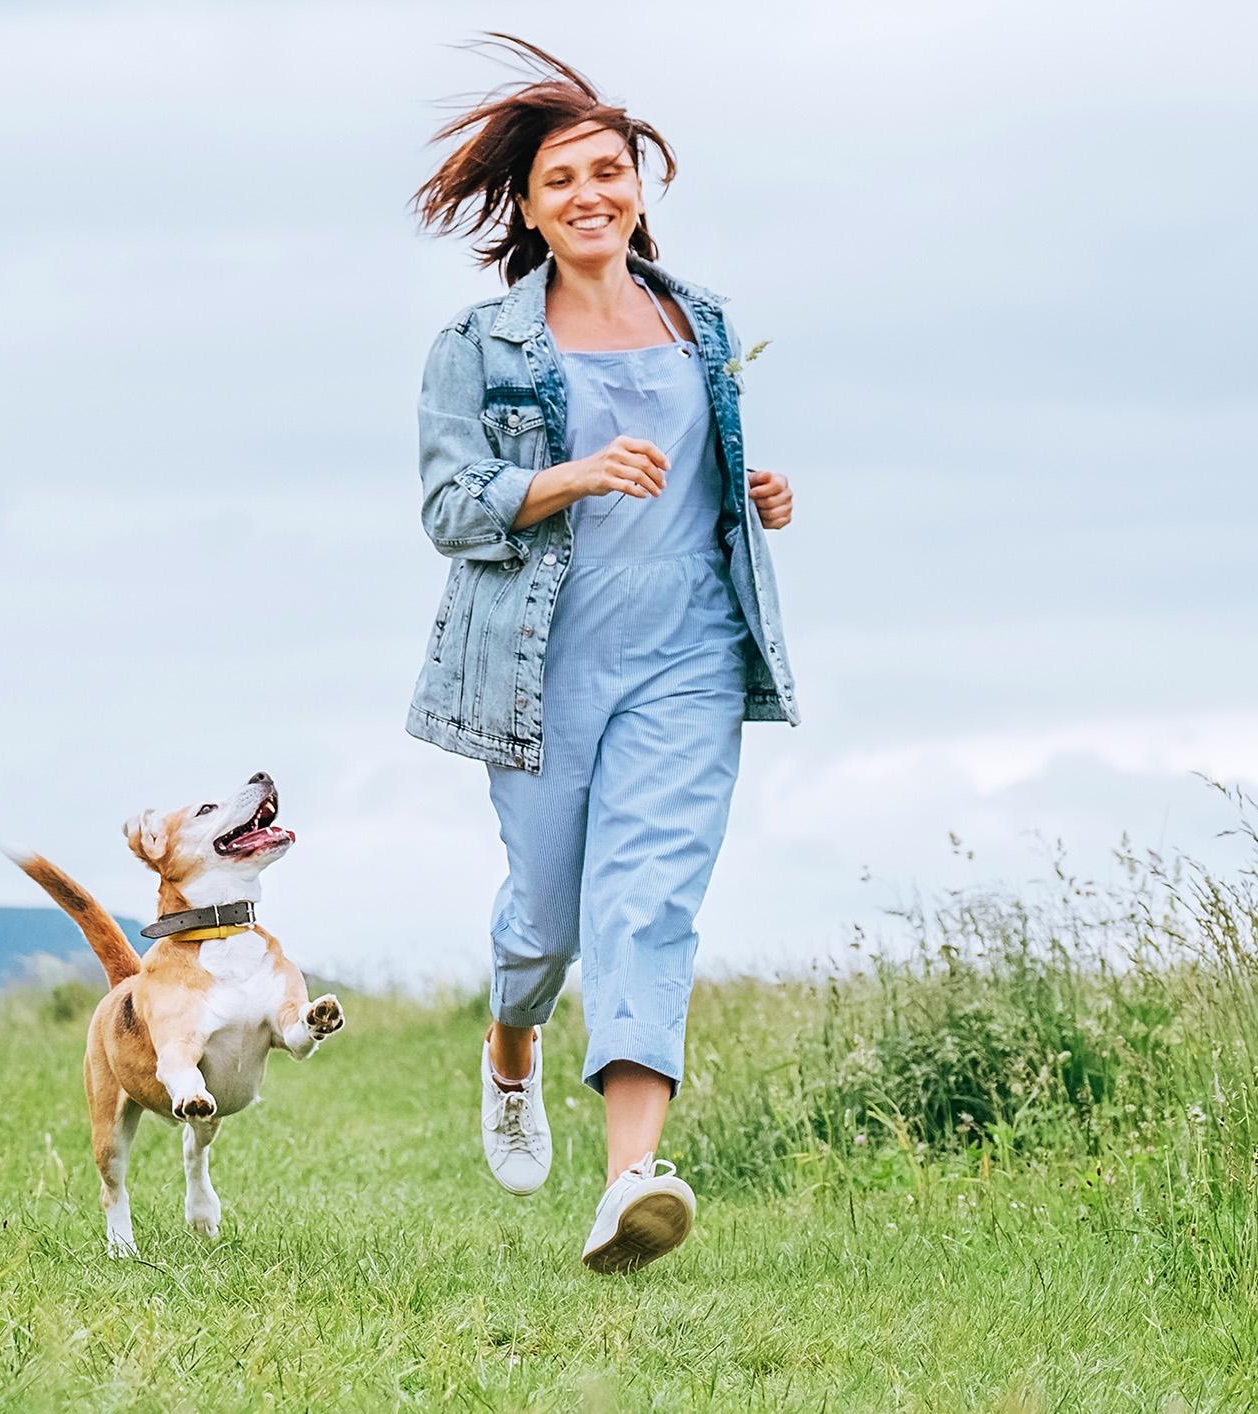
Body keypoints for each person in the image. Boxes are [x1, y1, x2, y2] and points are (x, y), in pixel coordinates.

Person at [406, 35, 800, 1273]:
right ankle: (510, 1046)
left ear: (641, 186)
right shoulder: (480, 345)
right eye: (563, 179)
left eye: (609, 172)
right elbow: (449, 509)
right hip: (540, 666)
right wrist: (566, 476)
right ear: (527, 205)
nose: (591, 195)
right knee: (545, 922)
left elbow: (703, 475)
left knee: (649, 903)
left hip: (687, 655)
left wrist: (758, 490)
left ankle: (633, 1177)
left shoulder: (701, 320)